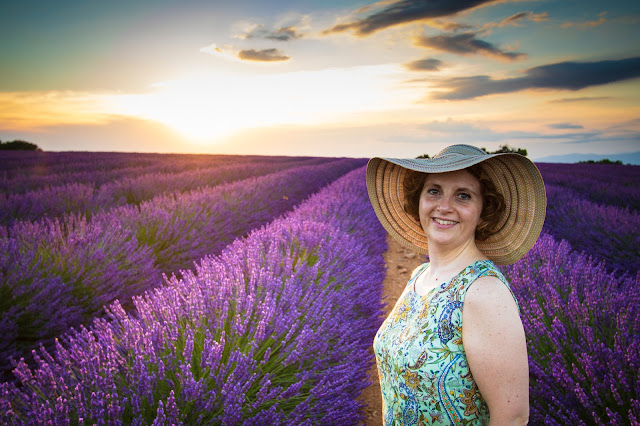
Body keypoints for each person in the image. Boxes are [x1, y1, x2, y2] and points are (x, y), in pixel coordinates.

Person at [366, 144, 546, 425]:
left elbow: (512, 417)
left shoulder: (484, 293)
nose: (444, 206)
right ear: (419, 200)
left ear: (484, 211)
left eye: (463, 195)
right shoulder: (419, 276)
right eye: (434, 191)